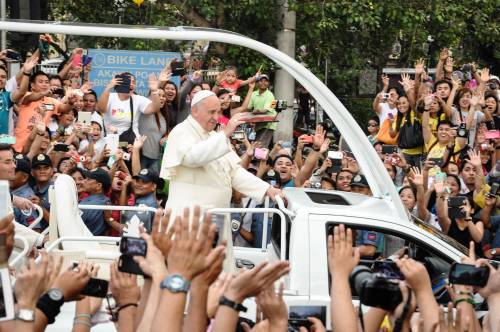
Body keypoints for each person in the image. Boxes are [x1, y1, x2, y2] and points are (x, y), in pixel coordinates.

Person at [247, 74, 277, 148]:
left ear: (268, 83)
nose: (263, 82)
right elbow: (248, 107)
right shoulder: (254, 94)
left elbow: (265, 111)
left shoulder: (270, 95)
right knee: (256, 146)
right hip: (259, 124)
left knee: (260, 147)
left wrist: (256, 111)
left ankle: (261, 159)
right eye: (261, 81)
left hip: (269, 124)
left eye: (266, 81)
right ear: (257, 83)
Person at [80, 168, 112, 236]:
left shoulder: (91, 204)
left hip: (84, 242)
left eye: (88, 179)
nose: (83, 182)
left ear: (98, 186)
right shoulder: (105, 200)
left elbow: (74, 223)